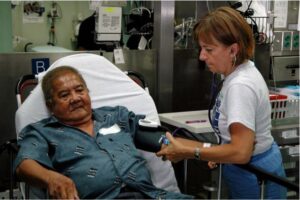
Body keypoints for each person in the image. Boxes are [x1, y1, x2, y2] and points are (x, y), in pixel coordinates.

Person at [156, 6, 287, 199]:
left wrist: (190, 151)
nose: (202, 56)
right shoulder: (240, 73)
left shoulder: (240, 86)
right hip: (249, 169)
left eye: (209, 49)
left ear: (233, 49)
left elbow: (241, 152)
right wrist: (217, 153)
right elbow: (239, 144)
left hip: (254, 175)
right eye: (202, 49)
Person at [14, 66, 192, 199]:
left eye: (79, 90)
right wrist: (51, 178)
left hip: (151, 196)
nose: (75, 98)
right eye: (64, 95)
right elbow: (24, 164)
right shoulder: (42, 132)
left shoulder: (117, 116)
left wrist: (198, 150)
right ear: (50, 105)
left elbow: (165, 141)